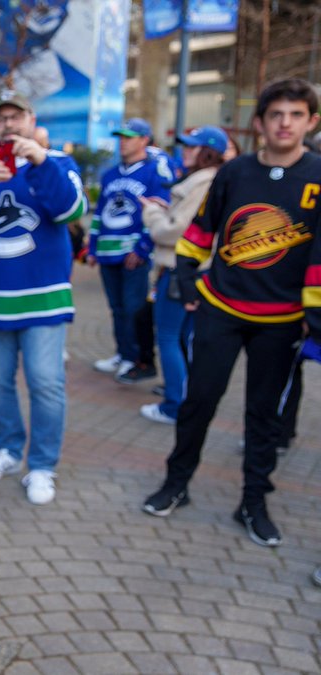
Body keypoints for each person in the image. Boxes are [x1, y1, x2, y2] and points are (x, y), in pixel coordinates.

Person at [141, 79, 321, 547]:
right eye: (276, 114)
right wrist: (185, 281)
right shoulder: (233, 172)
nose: (285, 123)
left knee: (263, 417)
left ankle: (253, 503)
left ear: (311, 122)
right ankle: (176, 484)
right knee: (198, 403)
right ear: (258, 123)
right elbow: (201, 232)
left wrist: (312, 317)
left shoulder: (319, 176)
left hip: (281, 322)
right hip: (220, 309)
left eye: (295, 114)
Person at [0, 90, 87, 505]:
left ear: (31, 120)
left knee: (46, 383)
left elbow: (72, 211)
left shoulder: (59, 163)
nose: (8, 124)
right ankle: (8, 451)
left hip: (45, 297)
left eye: (16, 117)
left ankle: (42, 465)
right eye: (0, 118)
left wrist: (41, 161)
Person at [138, 125, 228, 425]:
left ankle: (175, 405)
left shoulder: (204, 182)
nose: (185, 150)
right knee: (184, 340)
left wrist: (152, 215)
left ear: (209, 153)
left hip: (180, 270)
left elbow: (176, 233)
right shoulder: (208, 180)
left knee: (168, 338)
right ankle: (185, 401)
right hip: (195, 272)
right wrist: (166, 210)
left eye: (193, 146)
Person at [87, 118, 173, 384]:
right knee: (116, 307)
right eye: (121, 137)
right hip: (107, 252)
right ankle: (122, 352)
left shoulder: (154, 173)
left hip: (133, 254)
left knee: (134, 307)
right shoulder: (110, 174)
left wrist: (143, 247)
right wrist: (91, 247)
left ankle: (136, 358)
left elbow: (159, 211)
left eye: (129, 137)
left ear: (144, 140)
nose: (123, 142)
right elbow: (100, 212)